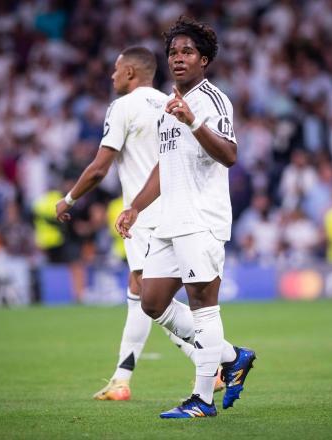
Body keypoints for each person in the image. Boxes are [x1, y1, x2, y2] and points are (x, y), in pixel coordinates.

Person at [55, 46, 218, 400]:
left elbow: (99, 168)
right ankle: (122, 377)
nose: (112, 77)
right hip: (176, 208)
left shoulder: (122, 107)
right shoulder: (168, 101)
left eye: (115, 71)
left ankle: (217, 359)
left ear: (130, 72)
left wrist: (68, 199)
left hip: (145, 214)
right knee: (142, 292)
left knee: (150, 298)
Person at [116, 17, 256, 418]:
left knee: (202, 305)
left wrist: (192, 121)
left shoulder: (213, 100)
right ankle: (231, 356)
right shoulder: (166, 105)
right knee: (152, 300)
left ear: (204, 60)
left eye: (187, 52)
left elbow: (230, 155)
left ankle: (202, 400)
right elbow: (165, 165)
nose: (178, 58)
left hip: (202, 218)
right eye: (173, 52)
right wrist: (136, 206)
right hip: (168, 220)